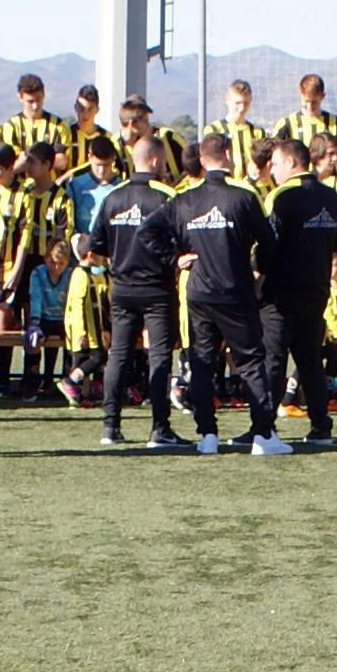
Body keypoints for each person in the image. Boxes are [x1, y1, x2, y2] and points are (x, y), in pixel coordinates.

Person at [169, 134, 279, 454]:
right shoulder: (244, 196)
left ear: (202, 160)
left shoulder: (185, 199)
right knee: (250, 361)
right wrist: (257, 271)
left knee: (203, 363)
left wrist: (175, 258)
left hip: (199, 292)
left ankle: (207, 436)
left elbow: (151, 231)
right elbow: (269, 242)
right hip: (235, 291)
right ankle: (263, 435)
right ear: (228, 155)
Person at [91, 137, 188, 448]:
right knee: (158, 356)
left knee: (118, 355)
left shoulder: (113, 196)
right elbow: (182, 238)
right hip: (157, 288)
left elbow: (96, 245)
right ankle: (159, 429)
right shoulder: (166, 196)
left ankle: (110, 427)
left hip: (121, 288)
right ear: (156, 161)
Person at [257, 134, 337, 449]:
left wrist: (258, 272)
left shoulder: (282, 196)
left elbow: (268, 244)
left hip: (281, 293)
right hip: (316, 290)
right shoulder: (333, 197)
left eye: (276, 163)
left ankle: (264, 428)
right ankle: (321, 427)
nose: (272, 170)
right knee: (309, 360)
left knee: (273, 359)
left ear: (291, 161)